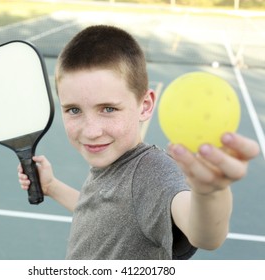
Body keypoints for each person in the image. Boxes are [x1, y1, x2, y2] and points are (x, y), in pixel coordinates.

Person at [18, 25, 260, 259]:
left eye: (108, 109)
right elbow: (106, 215)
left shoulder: (151, 174)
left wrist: (210, 193)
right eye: (73, 110)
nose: (91, 131)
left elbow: (205, 236)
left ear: (144, 106)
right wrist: (52, 187)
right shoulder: (111, 162)